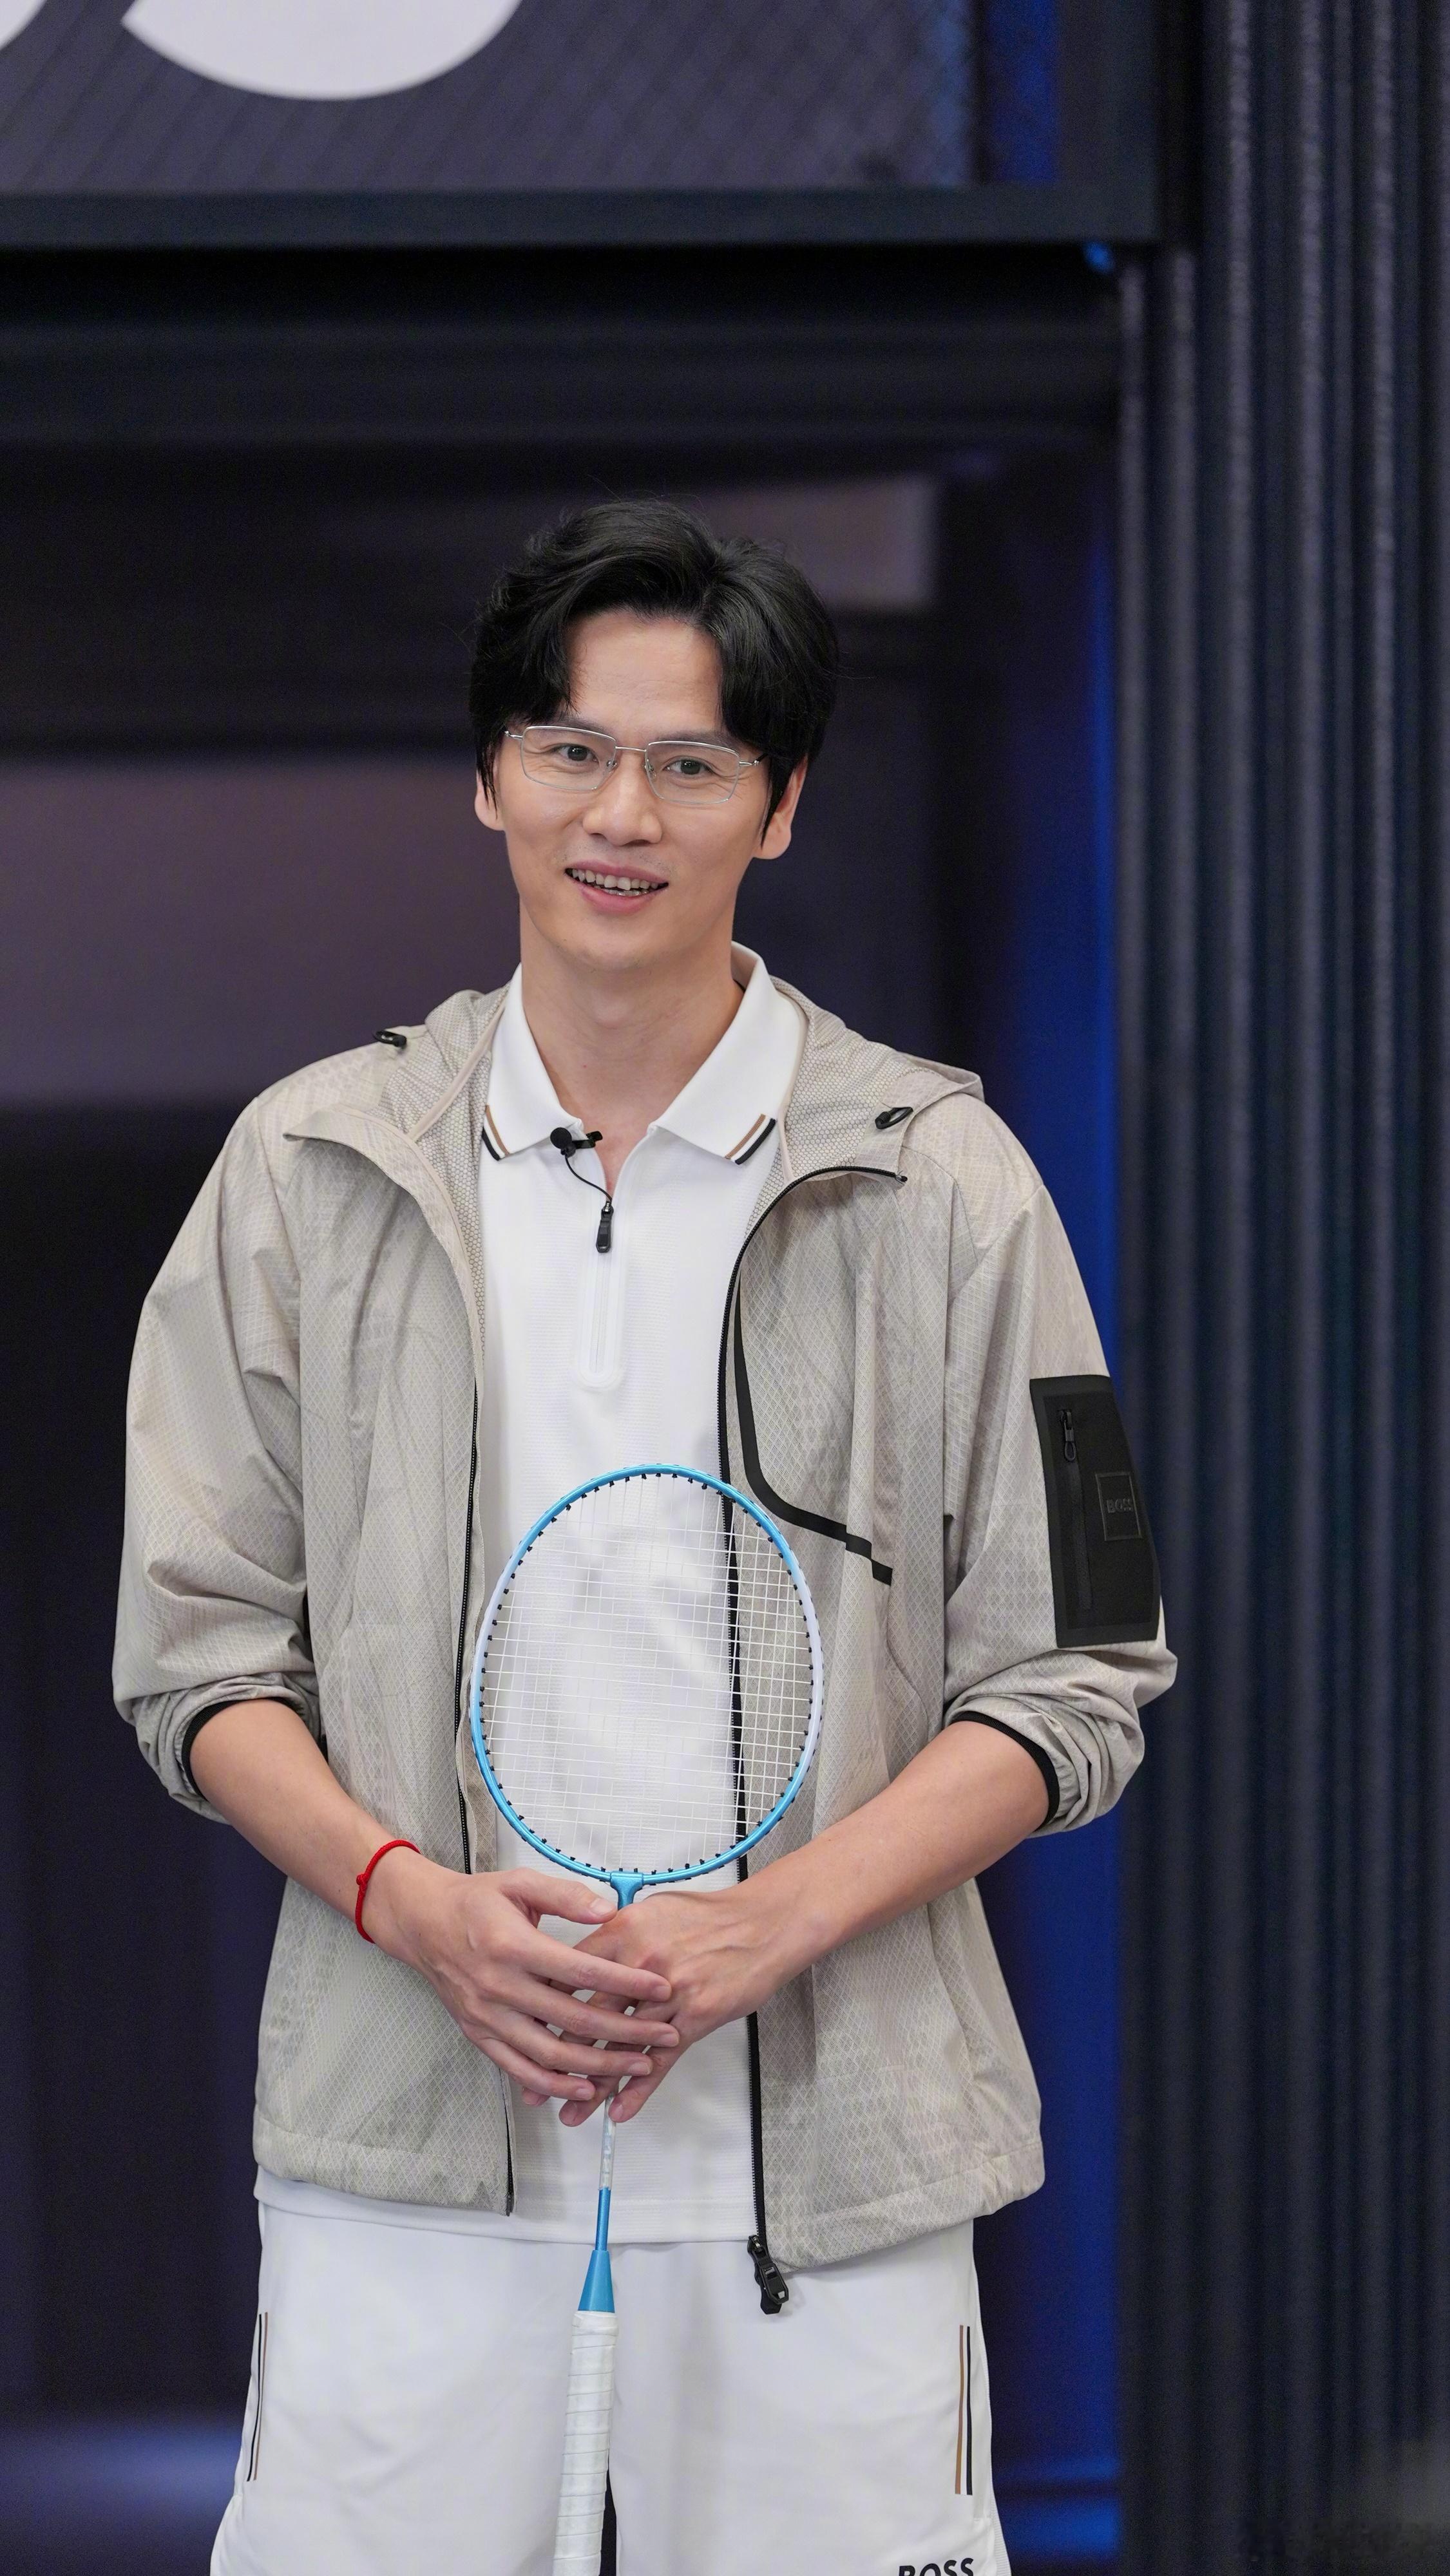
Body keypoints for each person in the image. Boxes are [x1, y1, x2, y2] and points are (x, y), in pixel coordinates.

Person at [115, 497, 1174, 2575]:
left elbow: (1080, 1670)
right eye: (572, 750)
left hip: (836, 2171)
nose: (623, 814)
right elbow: (196, 1659)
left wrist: (764, 1928)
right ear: (492, 775)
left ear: (778, 804)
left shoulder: (951, 1182)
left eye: (692, 762)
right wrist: (413, 1906)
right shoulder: (304, 1168)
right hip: (407, 2153)